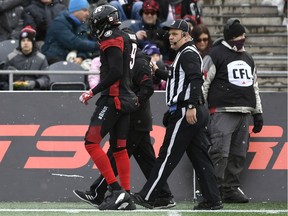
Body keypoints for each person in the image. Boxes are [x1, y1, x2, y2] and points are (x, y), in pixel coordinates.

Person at [131, 19, 223, 210]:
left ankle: (148, 196)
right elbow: (176, 77)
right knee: (200, 157)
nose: (170, 37)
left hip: (186, 111)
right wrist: (158, 72)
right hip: (193, 110)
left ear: (186, 35)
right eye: (170, 33)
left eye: (174, 34)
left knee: (167, 155)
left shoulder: (188, 53)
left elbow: (196, 79)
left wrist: (190, 105)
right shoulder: (185, 53)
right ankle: (213, 199)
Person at [74, 48, 176, 209]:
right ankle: (164, 195)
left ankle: (98, 193)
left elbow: (148, 88)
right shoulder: (130, 61)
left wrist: (133, 104)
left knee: (116, 153)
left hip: (135, 119)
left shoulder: (140, 62)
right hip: (136, 119)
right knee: (146, 160)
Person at [78, 4, 140, 210]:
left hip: (113, 97)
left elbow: (115, 72)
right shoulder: (127, 36)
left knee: (91, 142)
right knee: (119, 148)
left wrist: (92, 91)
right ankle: (127, 196)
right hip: (126, 97)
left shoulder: (111, 38)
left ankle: (116, 190)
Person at [202, 18, 264, 203]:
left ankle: (230, 188)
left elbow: (254, 87)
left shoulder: (248, 58)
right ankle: (213, 189)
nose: (242, 39)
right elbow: (203, 83)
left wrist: (257, 112)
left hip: (244, 112)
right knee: (220, 153)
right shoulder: (214, 54)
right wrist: (200, 108)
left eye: (243, 35)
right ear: (229, 37)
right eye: (238, 35)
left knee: (238, 155)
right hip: (222, 110)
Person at [41, 0, 98, 65]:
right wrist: (97, 45)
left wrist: (81, 56)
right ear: (75, 10)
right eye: (84, 10)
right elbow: (73, 42)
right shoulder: (59, 23)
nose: (87, 13)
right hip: (54, 59)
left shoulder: (81, 24)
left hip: (69, 59)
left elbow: (83, 42)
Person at [3, 26, 50, 90]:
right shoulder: (11, 57)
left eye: (28, 40)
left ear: (33, 43)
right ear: (20, 43)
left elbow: (46, 79)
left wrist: (35, 83)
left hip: (35, 92)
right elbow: (3, 80)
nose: (25, 43)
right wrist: (10, 74)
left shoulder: (41, 58)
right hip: (14, 92)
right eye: (23, 40)